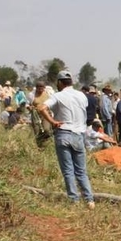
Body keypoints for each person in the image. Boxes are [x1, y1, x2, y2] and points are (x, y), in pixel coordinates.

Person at [37, 70, 95, 209]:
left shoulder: (58, 96)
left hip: (63, 133)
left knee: (68, 170)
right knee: (81, 170)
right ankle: (89, 200)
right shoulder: (82, 96)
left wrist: (52, 121)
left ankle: (73, 200)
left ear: (60, 82)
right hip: (79, 135)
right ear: (71, 82)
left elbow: (41, 108)